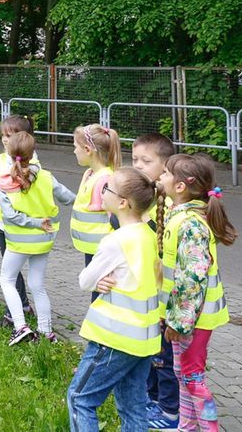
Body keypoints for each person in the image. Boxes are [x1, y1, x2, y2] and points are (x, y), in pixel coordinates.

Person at [68, 167, 162, 432]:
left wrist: (96, 280)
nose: (103, 189)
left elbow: (84, 281)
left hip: (114, 338)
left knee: (80, 399)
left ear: (123, 202)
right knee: (134, 407)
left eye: (107, 188)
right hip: (143, 340)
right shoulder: (148, 234)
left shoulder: (116, 241)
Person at [156, 154, 237, 432]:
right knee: (182, 373)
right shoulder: (181, 215)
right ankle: (187, 426)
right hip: (188, 315)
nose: (161, 177)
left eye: (165, 173)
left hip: (194, 318)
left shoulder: (190, 224)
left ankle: (209, 428)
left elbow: (192, 279)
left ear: (180, 187)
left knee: (192, 376)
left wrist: (179, 322)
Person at [0, 131, 75, 344]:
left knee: (7, 279)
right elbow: (67, 198)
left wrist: (33, 222)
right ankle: (46, 331)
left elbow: (10, 216)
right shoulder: (46, 177)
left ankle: (20, 326)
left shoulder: (4, 183)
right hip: (44, 239)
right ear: (33, 153)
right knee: (37, 284)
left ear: (9, 152)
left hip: (19, 241)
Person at [129, 133, 179, 431]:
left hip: (167, 299)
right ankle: (151, 398)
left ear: (166, 166)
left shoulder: (172, 204)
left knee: (165, 357)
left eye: (146, 161)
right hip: (147, 293)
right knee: (151, 352)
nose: (138, 166)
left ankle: (169, 410)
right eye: (134, 159)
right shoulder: (143, 198)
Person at [0, 115, 38, 323]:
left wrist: (2, 202)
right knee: (10, 269)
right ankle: (23, 305)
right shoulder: (1, 158)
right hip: (0, 221)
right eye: (3, 135)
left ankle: (13, 314)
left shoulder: (32, 163)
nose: (4, 139)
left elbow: (27, 195)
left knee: (10, 271)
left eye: (9, 135)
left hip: (17, 223)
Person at [71, 123, 121, 267]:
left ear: (87, 150)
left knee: (100, 289)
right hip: (93, 248)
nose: (74, 151)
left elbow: (116, 218)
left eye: (75, 146)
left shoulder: (105, 179)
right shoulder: (90, 174)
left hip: (103, 252)